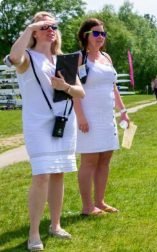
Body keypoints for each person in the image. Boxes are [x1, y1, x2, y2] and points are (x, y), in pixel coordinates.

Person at [4, 11, 85, 251]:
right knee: (41, 175)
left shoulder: (63, 59)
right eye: (44, 25)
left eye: (53, 26)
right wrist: (29, 28)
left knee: (59, 173)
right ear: (35, 30)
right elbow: (13, 57)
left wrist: (65, 86)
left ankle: (56, 225)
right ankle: (33, 233)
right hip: (38, 124)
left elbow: (80, 93)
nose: (50, 29)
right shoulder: (27, 57)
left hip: (64, 122)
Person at [74, 18, 129, 216]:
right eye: (96, 33)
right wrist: (80, 117)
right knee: (89, 160)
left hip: (107, 117)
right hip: (88, 116)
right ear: (85, 35)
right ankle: (87, 206)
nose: (100, 37)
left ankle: (100, 201)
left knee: (105, 158)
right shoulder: (79, 58)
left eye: (103, 34)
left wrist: (123, 111)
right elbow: (74, 90)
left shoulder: (107, 57)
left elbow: (113, 87)